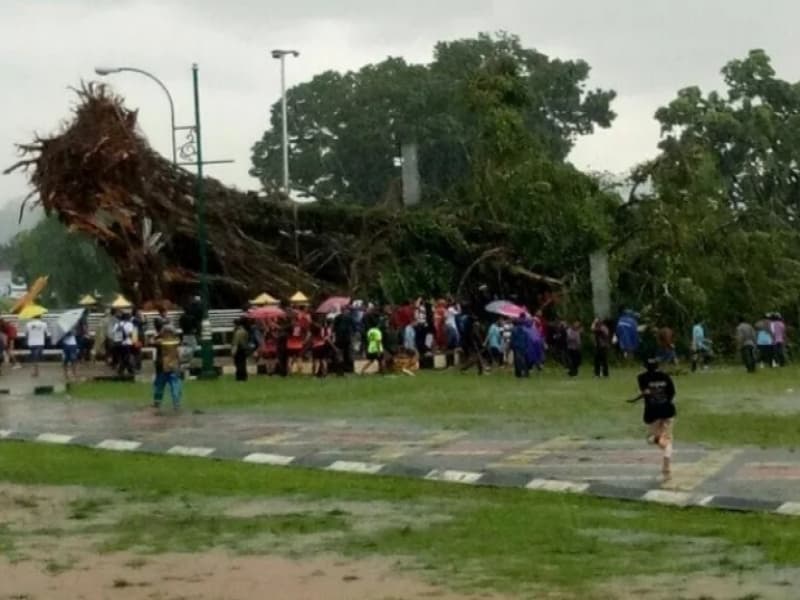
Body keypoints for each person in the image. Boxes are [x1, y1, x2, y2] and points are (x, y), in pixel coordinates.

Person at [630, 357, 677, 480]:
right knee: (661, 439)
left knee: (653, 438)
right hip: (667, 410)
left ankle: (666, 464)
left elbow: (645, 392)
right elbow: (672, 392)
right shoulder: (665, 376)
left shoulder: (642, 378)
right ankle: (666, 451)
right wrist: (664, 402)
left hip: (653, 412)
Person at [152, 325, 182, 412]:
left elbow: (152, 341)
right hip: (174, 366)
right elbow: (178, 354)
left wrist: (157, 336)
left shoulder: (160, 342)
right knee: (175, 386)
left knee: (159, 386)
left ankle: (157, 402)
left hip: (163, 367)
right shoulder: (176, 341)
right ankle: (176, 403)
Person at [459, 307, 485, 375]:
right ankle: (464, 368)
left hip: (468, 341)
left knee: (477, 356)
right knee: (475, 357)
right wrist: (480, 343)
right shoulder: (470, 323)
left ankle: (480, 370)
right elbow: (475, 334)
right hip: (471, 342)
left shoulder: (465, 320)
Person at [25, 314, 49, 378]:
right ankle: (36, 371)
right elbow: (46, 334)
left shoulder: (28, 324)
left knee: (34, 357)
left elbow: (26, 334)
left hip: (31, 343)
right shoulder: (44, 324)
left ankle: (35, 371)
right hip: (40, 343)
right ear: (40, 316)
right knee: (37, 357)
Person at [333, 307, 355, 376]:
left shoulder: (337, 317)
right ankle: (348, 369)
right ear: (345, 310)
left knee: (339, 354)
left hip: (339, 338)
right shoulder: (349, 317)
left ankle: (339, 370)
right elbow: (353, 326)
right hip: (347, 338)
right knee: (347, 354)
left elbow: (334, 328)